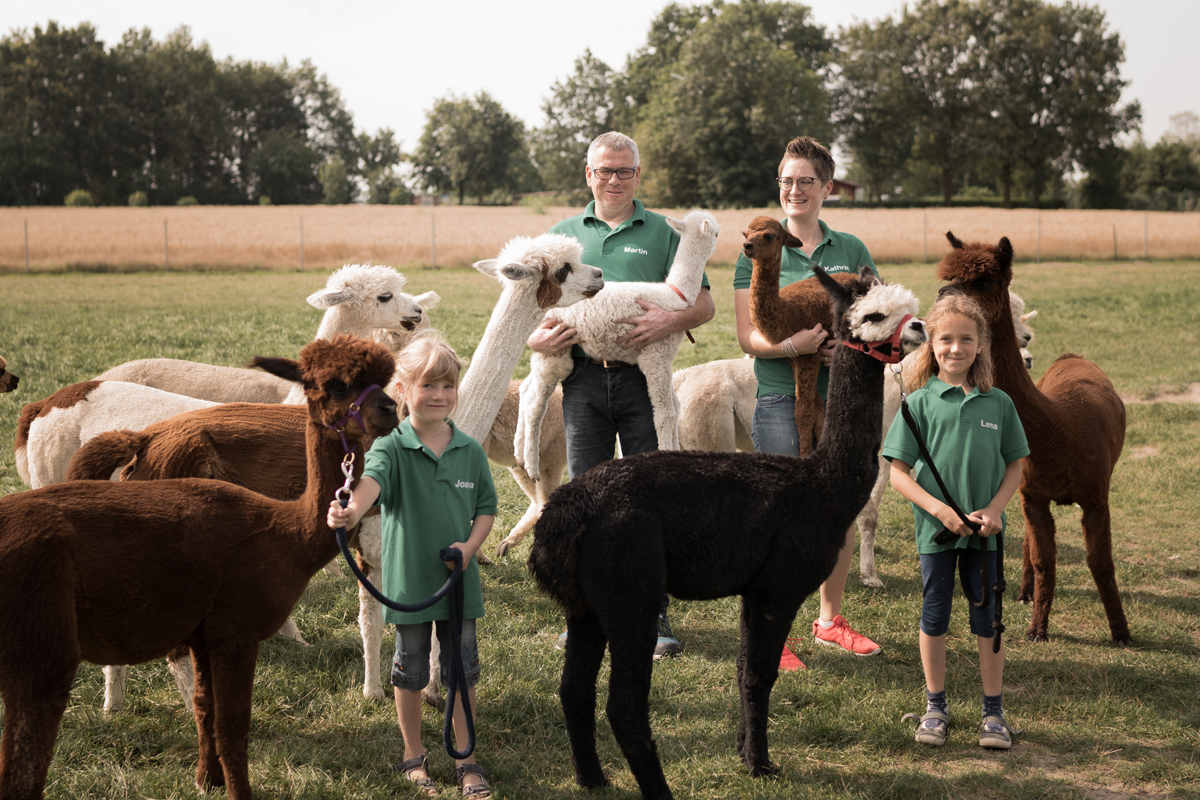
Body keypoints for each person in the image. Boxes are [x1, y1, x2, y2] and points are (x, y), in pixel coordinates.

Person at [529, 131, 716, 657]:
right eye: (604, 171)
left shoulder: (663, 232)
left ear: (638, 174)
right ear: (588, 175)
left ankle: (652, 615)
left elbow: (704, 304)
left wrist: (669, 318)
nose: (614, 179)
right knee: (584, 493)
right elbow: (534, 307)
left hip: (644, 382)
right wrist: (537, 337)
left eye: (624, 171)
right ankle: (583, 612)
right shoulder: (562, 234)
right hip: (583, 381)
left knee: (648, 493)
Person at [732, 136, 882, 665]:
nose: (795, 190)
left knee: (838, 511)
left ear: (825, 187)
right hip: (778, 398)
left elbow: (875, 320)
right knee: (780, 516)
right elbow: (747, 334)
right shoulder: (756, 245)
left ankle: (828, 618)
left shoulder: (852, 251)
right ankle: (775, 633)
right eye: (786, 181)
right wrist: (789, 345)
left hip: (843, 403)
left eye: (805, 181)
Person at [327, 332, 497, 798]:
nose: (439, 396)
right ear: (402, 389)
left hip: (461, 586)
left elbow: (485, 507)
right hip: (410, 589)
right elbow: (370, 486)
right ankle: (413, 755)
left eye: (447, 386)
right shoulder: (392, 448)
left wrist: (470, 546)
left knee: (462, 672)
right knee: (411, 672)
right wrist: (350, 511)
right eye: (427, 386)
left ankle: (466, 758)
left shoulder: (470, 449)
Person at [881, 293, 1028, 749]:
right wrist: (940, 510)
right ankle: (935, 707)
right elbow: (897, 474)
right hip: (936, 533)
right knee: (935, 615)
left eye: (966, 339)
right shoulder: (919, 404)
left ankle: (994, 713)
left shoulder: (998, 403)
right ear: (931, 342)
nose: (956, 348)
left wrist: (997, 508)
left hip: (985, 535)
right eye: (946, 339)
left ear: (981, 344)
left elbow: (1015, 466)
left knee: (988, 619)